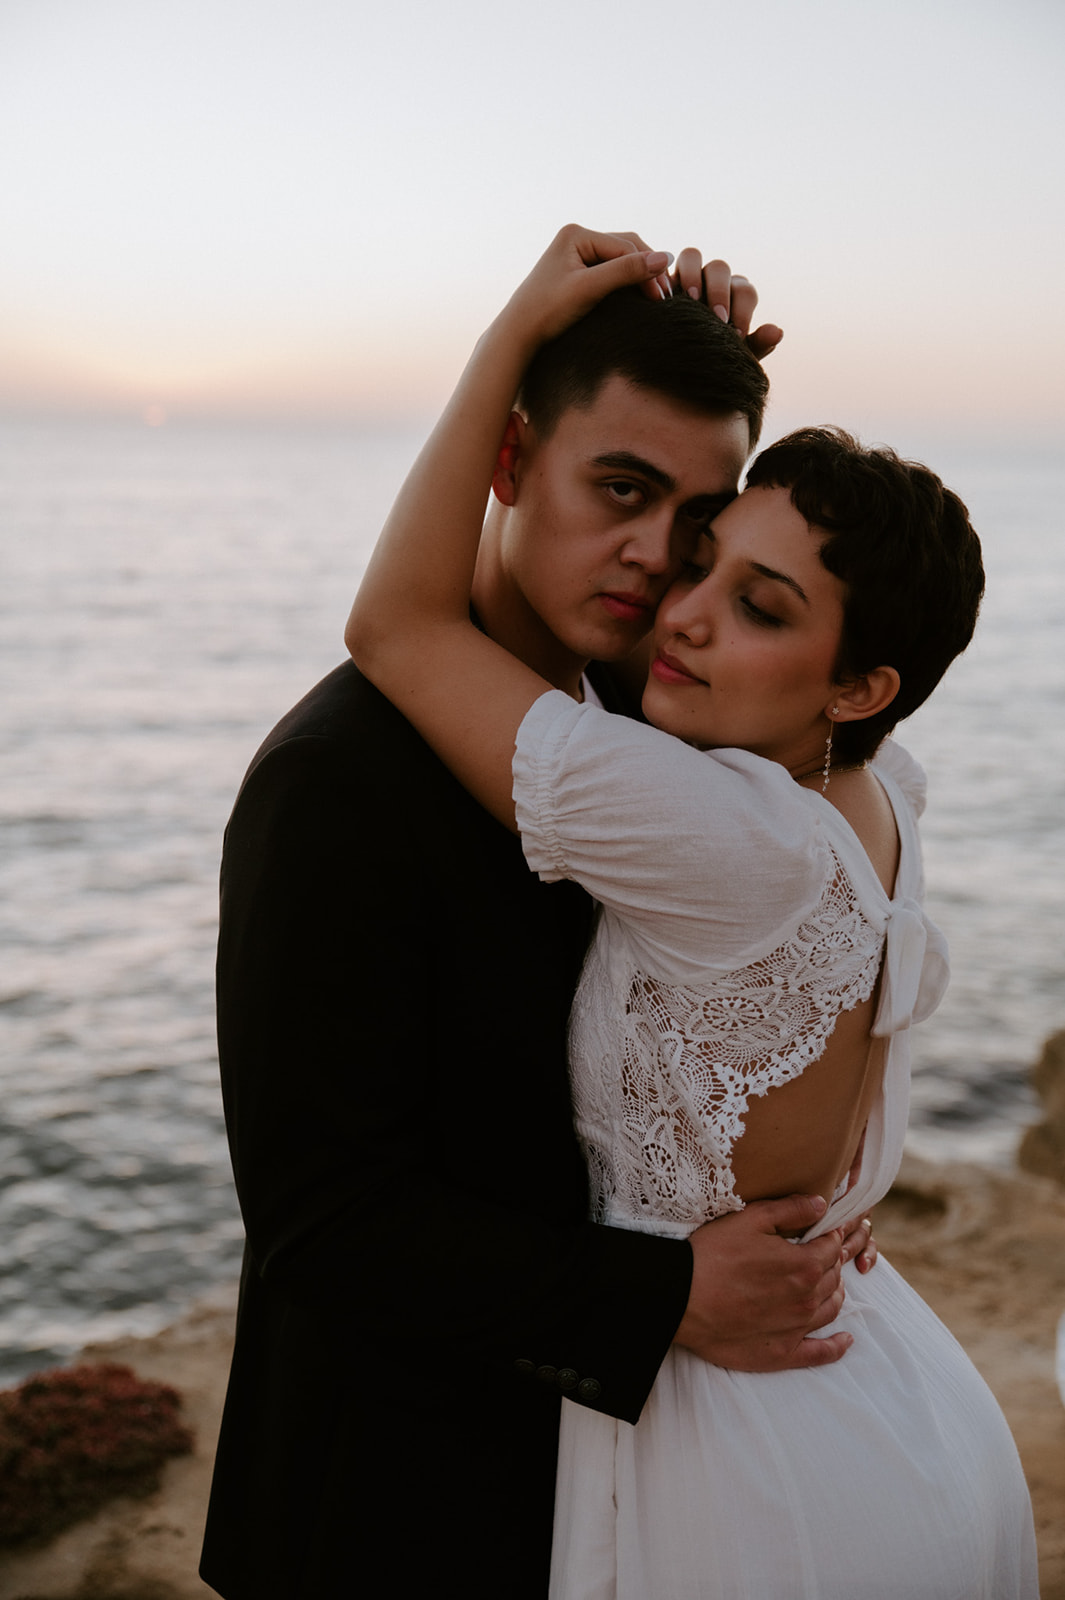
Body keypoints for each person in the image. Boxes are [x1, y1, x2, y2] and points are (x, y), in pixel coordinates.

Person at [346, 226, 1039, 1598]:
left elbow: (396, 631)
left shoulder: (710, 832)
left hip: (744, 1444)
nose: (681, 610)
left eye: (757, 605)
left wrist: (512, 353)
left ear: (855, 686)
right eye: (702, 555)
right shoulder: (879, 791)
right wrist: (698, 351)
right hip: (885, 1390)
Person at [199, 241, 876, 1599]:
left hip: (609, 1484)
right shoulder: (335, 782)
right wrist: (665, 1296)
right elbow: (321, 1221)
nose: (649, 559)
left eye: (693, 527)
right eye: (616, 488)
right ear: (507, 464)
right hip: (394, 1502)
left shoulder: (639, 734)